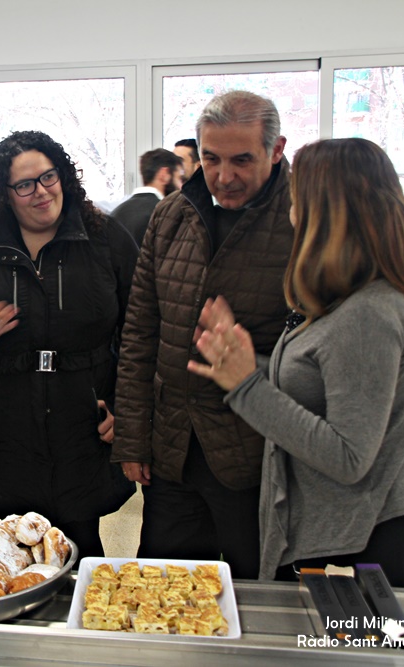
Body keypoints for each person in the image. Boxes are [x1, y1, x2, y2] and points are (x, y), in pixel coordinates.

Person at [187, 138, 404, 587]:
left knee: (348, 655)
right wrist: (241, 362)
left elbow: (348, 455)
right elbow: (319, 384)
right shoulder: (352, 299)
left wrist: (245, 385)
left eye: (297, 199)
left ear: (326, 212)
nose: (290, 212)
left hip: (361, 547)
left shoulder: (370, 315)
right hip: (344, 534)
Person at [112, 91, 294, 578]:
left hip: (256, 456)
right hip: (173, 451)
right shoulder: (171, 215)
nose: (223, 175)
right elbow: (140, 332)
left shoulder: (304, 220)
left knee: (257, 597)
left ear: (276, 151)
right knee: (163, 590)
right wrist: (132, 439)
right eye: (210, 158)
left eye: (242, 160)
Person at [0, 130, 138, 559]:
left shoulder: (105, 237)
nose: (41, 192)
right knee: (8, 556)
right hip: (4, 423)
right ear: (5, 194)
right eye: (25, 185)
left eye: (49, 177)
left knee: (81, 549)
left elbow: (140, 331)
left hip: (84, 420)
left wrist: (126, 407)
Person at [111, 148, 185, 244]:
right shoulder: (166, 215)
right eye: (179, 178)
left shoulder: (116, 213)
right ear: (164, 175)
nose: (181, 186)